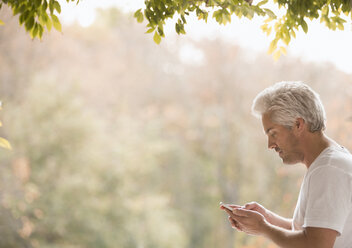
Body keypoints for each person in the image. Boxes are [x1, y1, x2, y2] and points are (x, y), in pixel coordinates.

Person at [221, 81, 352, 248]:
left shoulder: (329, 169)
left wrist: (263, 228)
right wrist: (267, 218)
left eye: (273, 133)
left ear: (298, 125)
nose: (270, 145)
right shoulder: (329, 163)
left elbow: (315, 244)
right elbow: (312, 232)